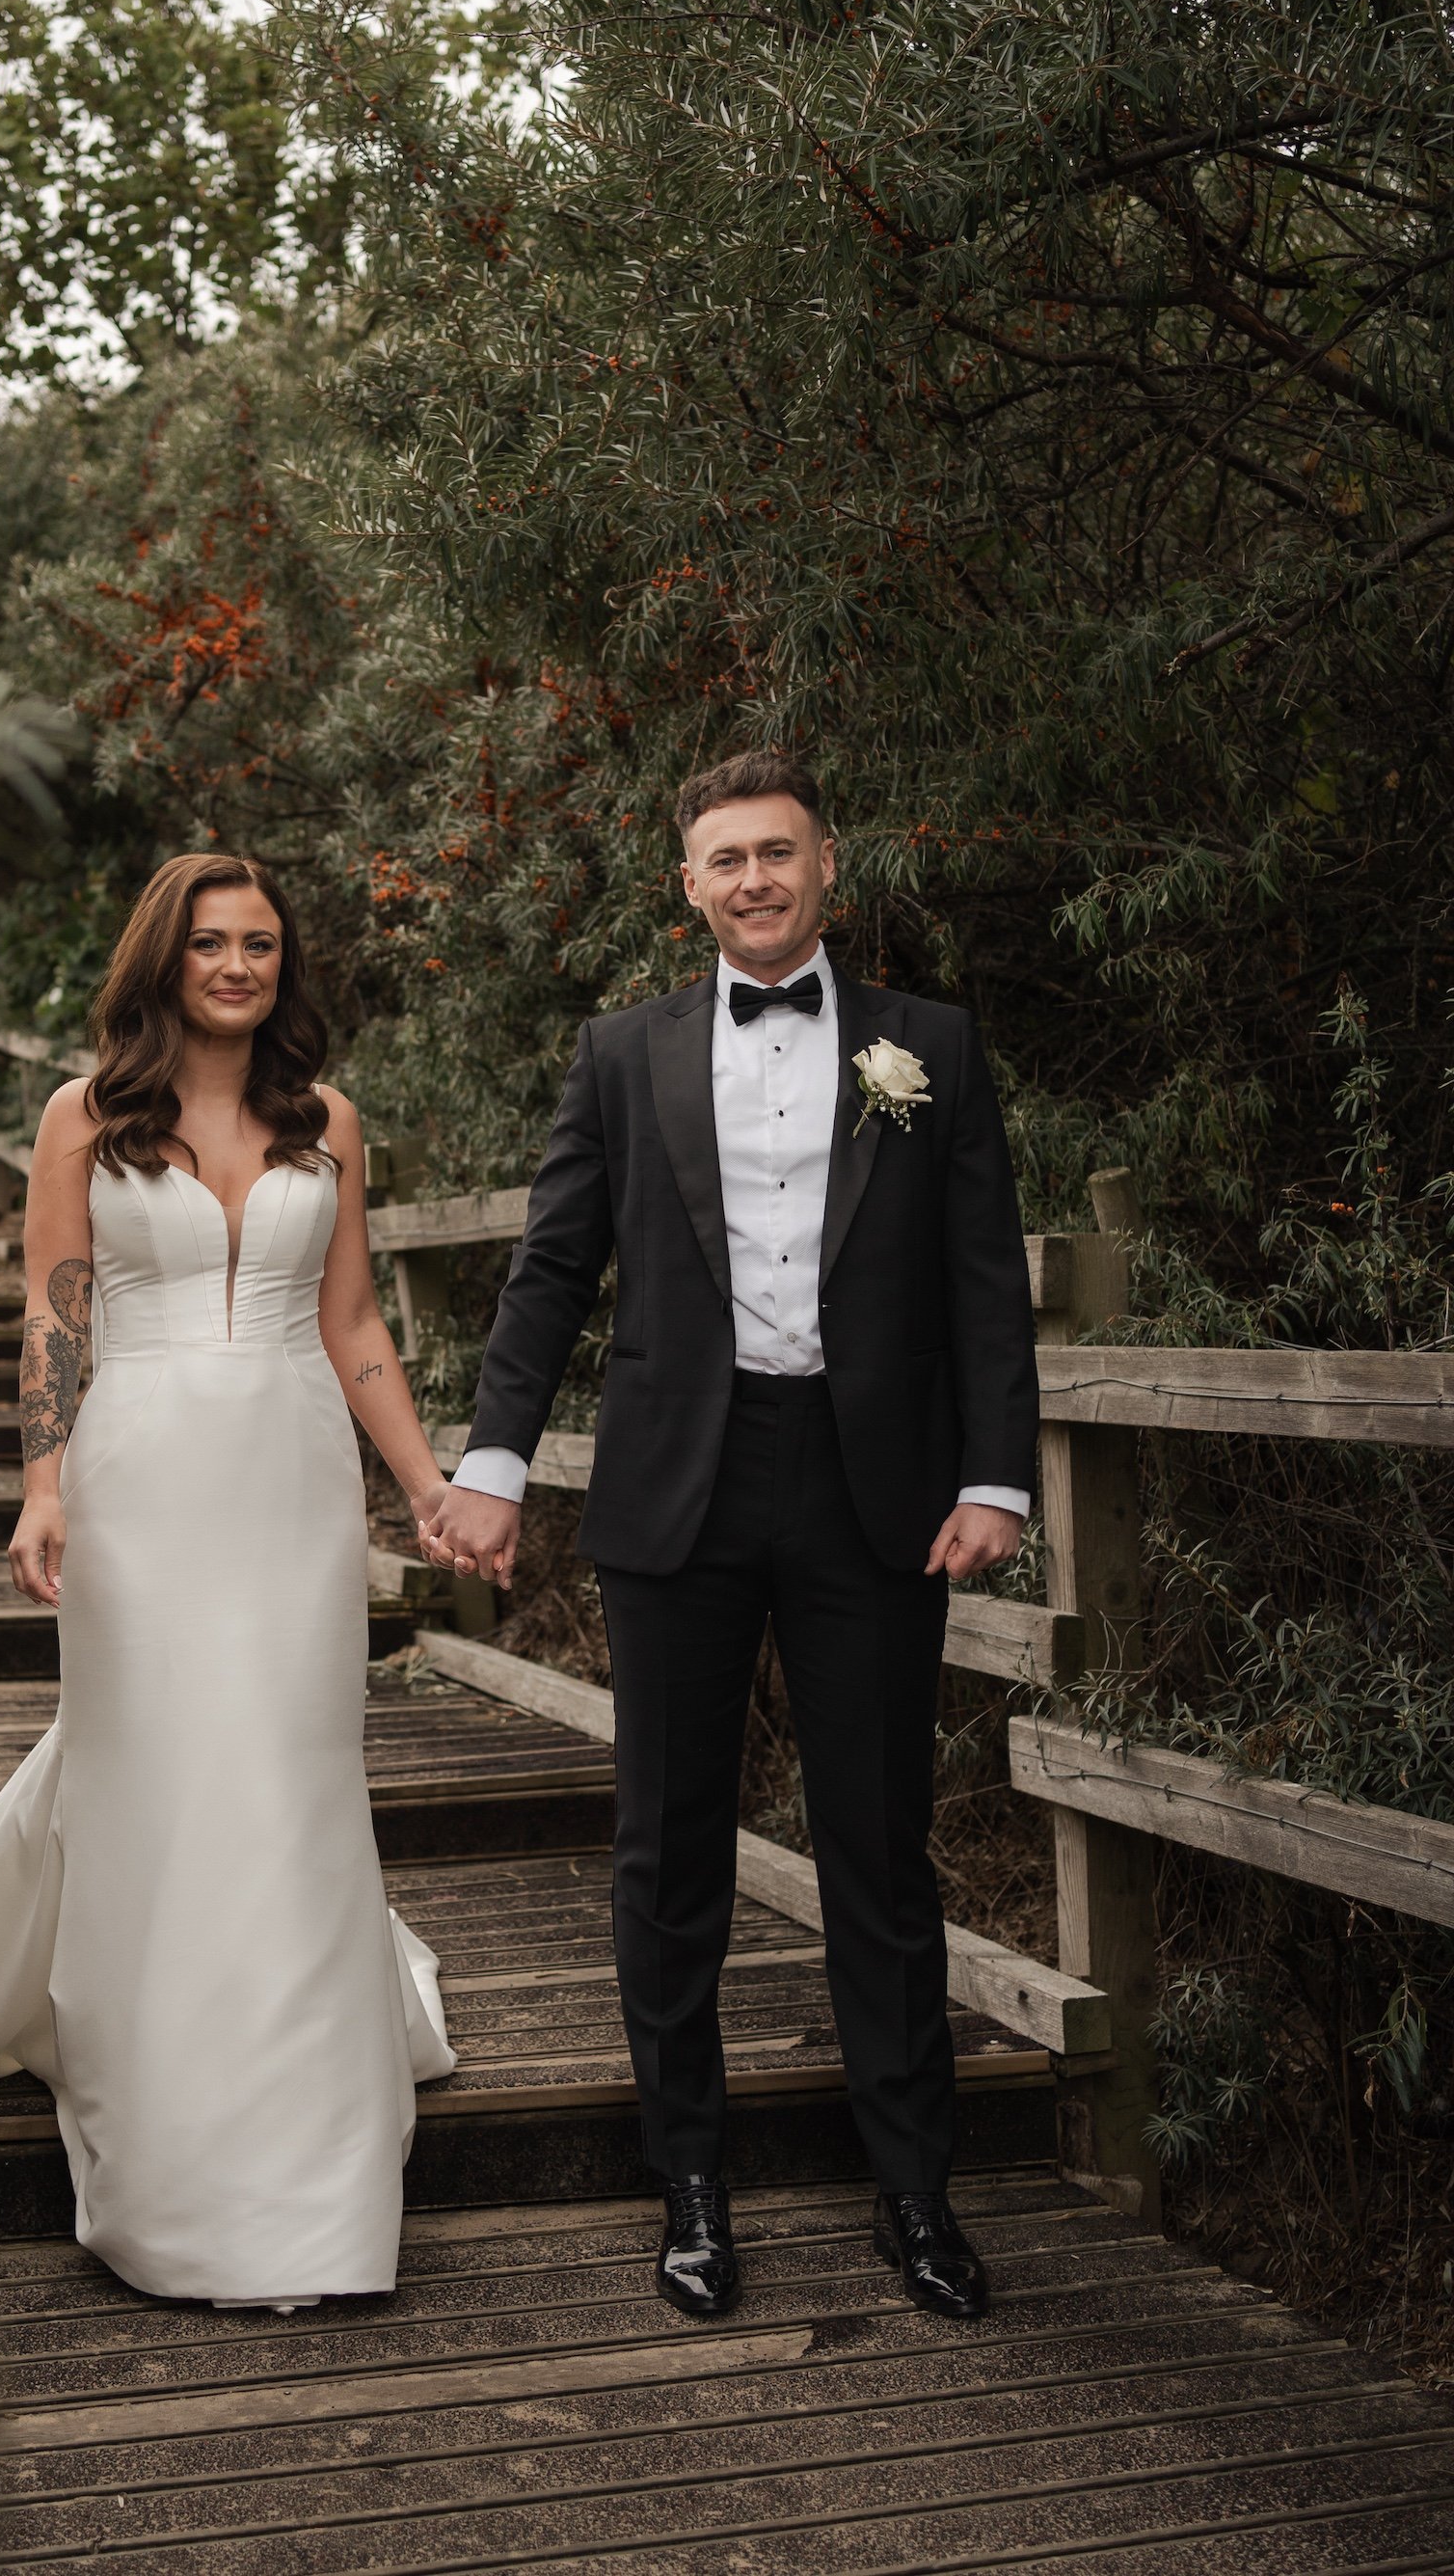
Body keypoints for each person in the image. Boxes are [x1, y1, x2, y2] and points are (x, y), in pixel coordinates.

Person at [419, 751, 1037, 2323]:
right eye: (724, 861)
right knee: (669, 1852)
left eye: (778, 853)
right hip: (674, 1491)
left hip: (874, 1493)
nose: (753, 880)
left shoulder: (934, 1049)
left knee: (880, 1851)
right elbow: (553, 1270)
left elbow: (980, 1281)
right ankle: (688, 2182)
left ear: (828, 867)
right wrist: (492, 1460)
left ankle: (915, 2193)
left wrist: (998, 1479)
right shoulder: (621, 1055)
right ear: (686, 885)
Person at [0, 852, 456, 2307]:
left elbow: (352, 1317)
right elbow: (56, 1315)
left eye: (261, 947)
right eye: (212, 945)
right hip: (145, 1478)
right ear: (163, 960)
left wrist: (424, 1481)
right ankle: (172, 2134)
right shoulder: (85, 1118)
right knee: (159, 1771)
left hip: (296, 1478)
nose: (238, 967)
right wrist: (44, 1481)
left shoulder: (330, 1122)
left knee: (293, 1777)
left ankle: (302, 2138)